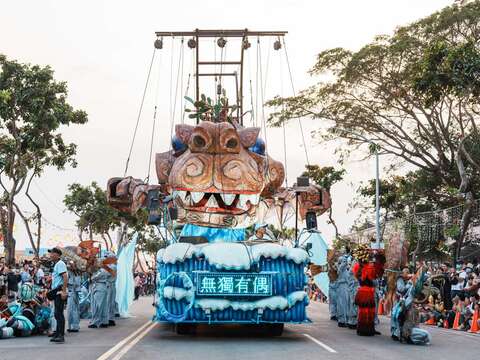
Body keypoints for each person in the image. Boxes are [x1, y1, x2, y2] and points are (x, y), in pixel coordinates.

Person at [48, 247, 68, 343]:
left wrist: (63, 291)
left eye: (52, 253)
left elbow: (65, 276)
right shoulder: (57, 264)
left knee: (59, 314)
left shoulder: (60, 264)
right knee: (57, 313)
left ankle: (61, 335)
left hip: (60, 291)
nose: (50, 255)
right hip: (56, 291)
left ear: (57, 254)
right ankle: (58, 333)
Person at [66, 261, 81, 333]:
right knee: (71, 310)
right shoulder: (71, 273)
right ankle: (72, 326)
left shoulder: (76, 274)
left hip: (72, 292)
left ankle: (74, 326)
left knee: (72, 310)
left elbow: (74, 284)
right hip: (71, 292)